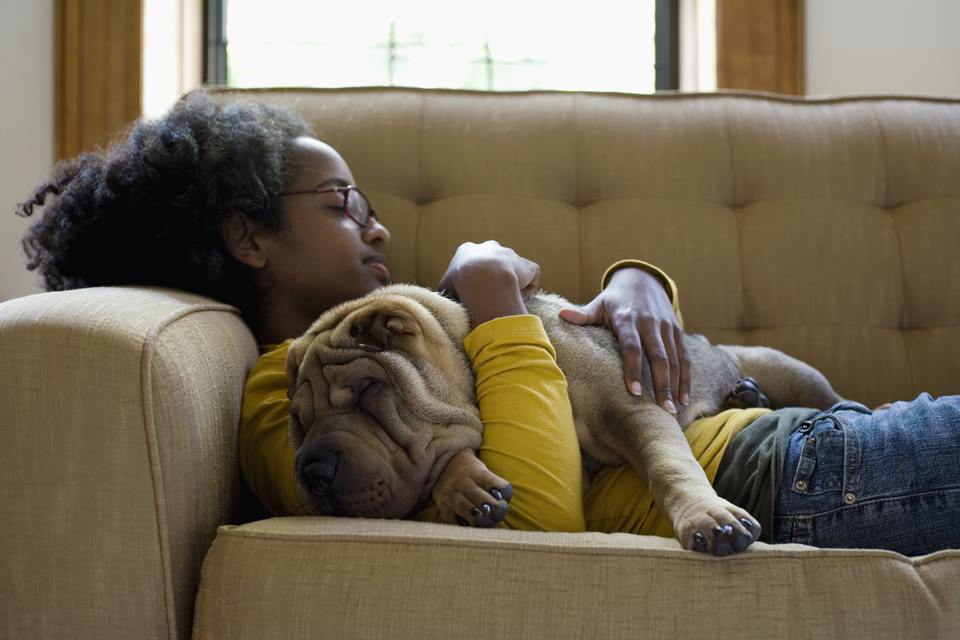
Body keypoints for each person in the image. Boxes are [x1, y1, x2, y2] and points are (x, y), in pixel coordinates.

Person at [18, 90, 960, 557]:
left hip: (783, 434)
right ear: (249, 237)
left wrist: (639, 281)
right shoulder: (278, 391)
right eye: (343, 203)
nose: (376, 224)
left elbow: (577, 361)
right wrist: (498, 304)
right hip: (776, 477)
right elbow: (538, 509)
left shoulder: (401, 322)